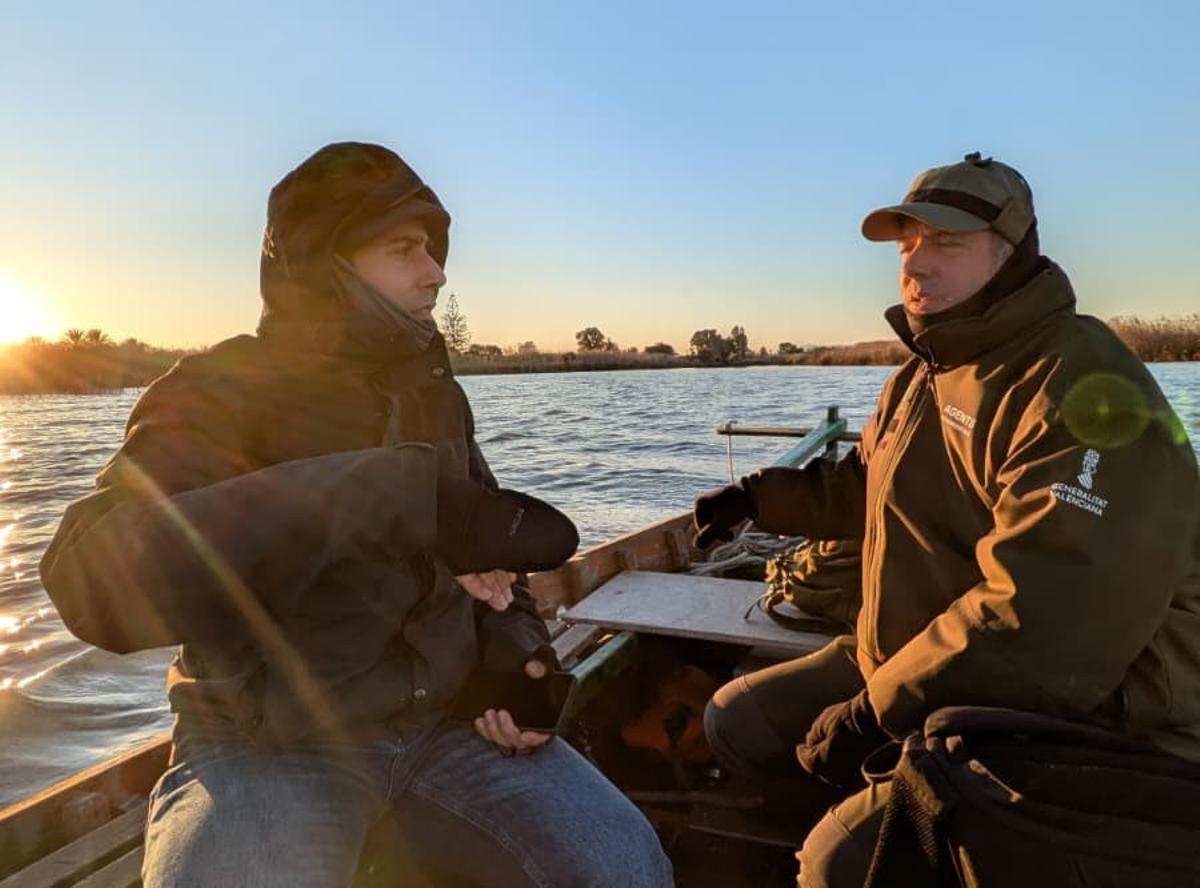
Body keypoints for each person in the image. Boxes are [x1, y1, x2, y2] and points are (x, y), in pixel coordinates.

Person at [39, 142, 673, 888]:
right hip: (267, 746)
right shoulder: (215, 391)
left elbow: (496, 574)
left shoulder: (435, 394)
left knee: (626, 865)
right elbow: (90, 582)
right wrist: (383, 495)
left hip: (447, 728)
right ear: (323, 265)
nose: (436, 272)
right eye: (404, 249)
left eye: (433, 249)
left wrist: (515, 656)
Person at [693, 152, 1200, 885]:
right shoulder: (924, 370)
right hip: (917, 657)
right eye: (908, 244)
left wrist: (873, 713)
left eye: (948, 243)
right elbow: (867, 483)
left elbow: (1043, 622)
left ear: (1011, 254)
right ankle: (873, 817)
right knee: (738, 720)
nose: (916, 265)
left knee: (836, 865)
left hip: (1089, 713)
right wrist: (758, 499)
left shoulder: (1083, 384)